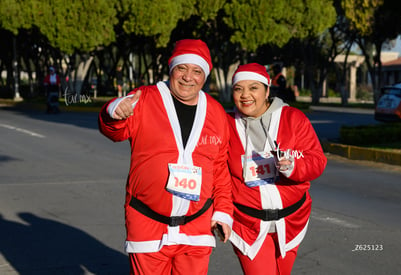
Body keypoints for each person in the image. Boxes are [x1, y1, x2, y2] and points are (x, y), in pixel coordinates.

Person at [98, 39, 233, 275]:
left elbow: (220, 168)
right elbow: (114, 131)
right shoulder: (144, 98)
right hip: (147, 222)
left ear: (205, 76)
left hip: (196, 226)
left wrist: (223, 212)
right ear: (171, 69)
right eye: (182, 68)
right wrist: (114, 112)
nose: (188, 77)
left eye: (197, 71)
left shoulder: (216, 112)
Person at [227, 63, 327, 275]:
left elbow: (317, 160)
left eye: (254, 88)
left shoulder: (293, 118)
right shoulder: (224, 124)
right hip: (247, 223)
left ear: (267, 90)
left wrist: (293, 167)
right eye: (239, 89)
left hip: (291, 220)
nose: (246, 95)